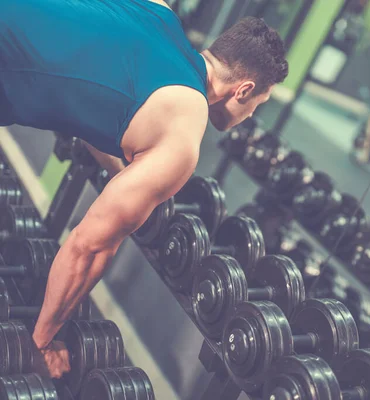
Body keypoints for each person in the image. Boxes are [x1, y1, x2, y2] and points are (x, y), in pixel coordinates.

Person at [0, 0, 288, 377]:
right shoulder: (185, 131)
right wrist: (42, 344)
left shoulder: (157, 12)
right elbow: (89, 245)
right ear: (244, 89)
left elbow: (99, 100)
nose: (251, 116)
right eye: (258, 105)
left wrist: (134, 174)